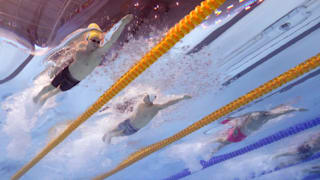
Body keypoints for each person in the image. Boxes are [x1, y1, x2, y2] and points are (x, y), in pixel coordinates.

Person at [33, 14, 134, 105]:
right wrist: (56, 68)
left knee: (57, 91)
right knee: (50, 87)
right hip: (66, 72)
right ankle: (37, 97)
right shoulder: (80, 48)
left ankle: (45, 98)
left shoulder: (97, 54)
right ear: (88, 40)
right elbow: (67, 51)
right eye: (94, 40)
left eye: (98, 42)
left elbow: (111, 41)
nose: (96, 43)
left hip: (75, 80)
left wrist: (123, 23)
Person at [207, 104, 307, 155]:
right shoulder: (260, 115)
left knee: (223, 141)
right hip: (241, 134)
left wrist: (295, 109)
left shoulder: (264, 115)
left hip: (241, 134)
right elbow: (238, 118)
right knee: (223, 141)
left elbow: (281, 113)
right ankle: (209, 146)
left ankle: (209, 146)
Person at [102, 94, 192, 143]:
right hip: (127, 122)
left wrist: (181, 98)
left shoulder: (156, 108)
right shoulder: (141, 104)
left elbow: (169, 103)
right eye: (144, 98)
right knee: (108, 133)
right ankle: (104, 138)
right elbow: (127, 103)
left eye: (146, 98)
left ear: (150, 100)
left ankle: (106, 146)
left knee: (112, 136)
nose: (143, 99)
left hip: (134, 128)